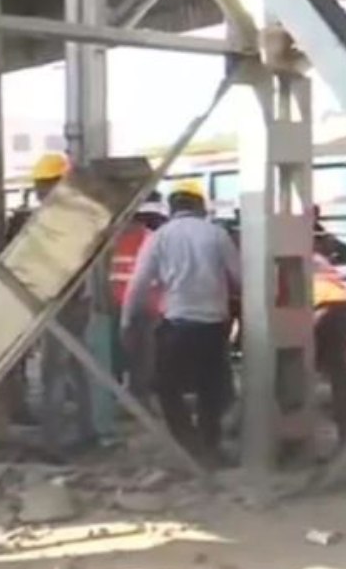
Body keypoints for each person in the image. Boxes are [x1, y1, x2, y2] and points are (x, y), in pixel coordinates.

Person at [122, 179, 240, 465]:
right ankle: (210, 446)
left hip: (177, 324)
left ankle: (188, 444)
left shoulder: (159, 237)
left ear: (173, 207)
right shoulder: (216, 235)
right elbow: (240, 277)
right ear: (200, 205)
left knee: (166, 387)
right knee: (209, 389)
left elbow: (139, 283)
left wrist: (127, 320)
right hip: (213, 325)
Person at [29, 153, 97, 459]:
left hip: (55, 302)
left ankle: (55, 440)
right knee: (71, 370)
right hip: (70, 302)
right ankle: (81, 433)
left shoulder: (44, 220)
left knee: (54, 372)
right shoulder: (75, 217)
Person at [110, 195, 168, 402]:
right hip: (128, 306)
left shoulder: (142, 239)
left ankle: (136, 398)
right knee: (134, 358)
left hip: (138, 307)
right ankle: (134, 398)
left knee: (139, 359)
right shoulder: (148, 238)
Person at [312, 250, 346, 442]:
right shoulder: (318, 257)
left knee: (304, 367)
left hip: (323, 307)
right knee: (340, 373)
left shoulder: (298, 255)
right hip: (343, 305)